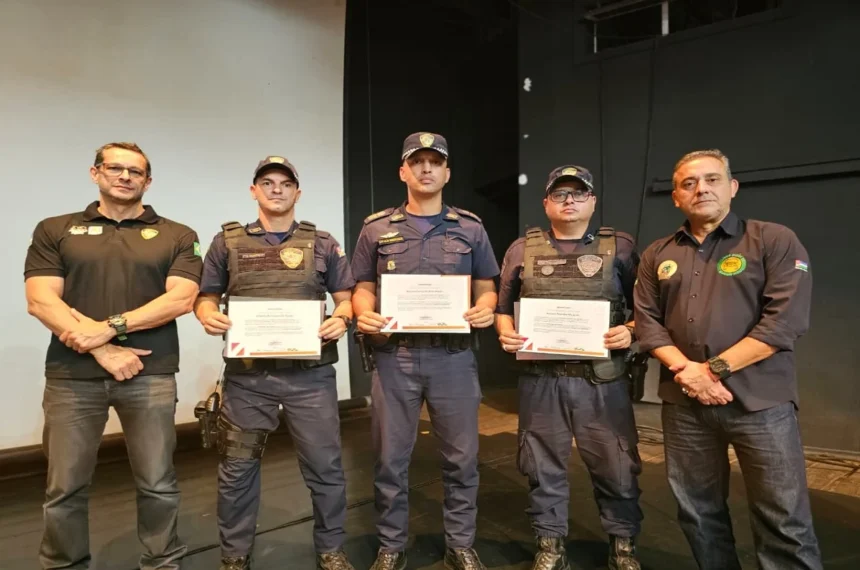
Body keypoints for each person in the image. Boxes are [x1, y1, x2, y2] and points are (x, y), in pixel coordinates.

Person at [633, 149, 822, 570]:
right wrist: (688, 374)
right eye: (689, 183)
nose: (701, 189)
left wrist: (711, 371)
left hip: (761, 403)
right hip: (685, 407)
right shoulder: (656, 254)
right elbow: (647, 325)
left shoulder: (772, 239)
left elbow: (783, 323)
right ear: (676, 197)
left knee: (783, 518)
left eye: (712, 179)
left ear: (732, 188)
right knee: (698, 514)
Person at [24, 142, 201, 569]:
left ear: (148, 181)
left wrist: (110, 327)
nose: (125, 176)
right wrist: (103, 348)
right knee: (64, 487)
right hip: (72, 377)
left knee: (158, 482)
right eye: (115, 168)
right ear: (95, 172)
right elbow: (40, 301)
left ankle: (162, 563)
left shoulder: (179, 234)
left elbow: (181, 298)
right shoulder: (55, 229)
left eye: (135, 172)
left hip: (151, 373)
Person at [193, 156, 356, 570]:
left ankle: (330, 550)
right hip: (248, 380)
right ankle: (235, 555)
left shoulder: (322, 242)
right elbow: (205, 295)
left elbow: (347, 296)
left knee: (325, 466)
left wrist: (341, 318)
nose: (277, 189)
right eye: (268, 182)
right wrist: (206, 313)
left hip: (310, 377)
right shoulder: (225, 242)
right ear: (254, 191)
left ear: (297, 192)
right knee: (237, 469)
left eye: (286, 183)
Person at [350, 132, 500, 570]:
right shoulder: (376, 227)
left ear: (447, 172)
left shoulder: (470, 227)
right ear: (403, 171)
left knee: (462, 458)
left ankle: (461, 543)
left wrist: (486, 308)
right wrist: (364, 312)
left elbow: (487, 285)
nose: (427, 169)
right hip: (394, 358)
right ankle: (391, 545)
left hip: (453, 358)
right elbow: (362, 285)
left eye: (436, 162)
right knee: (390, 459)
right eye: (417, 162)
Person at [495, 165, 643, 570]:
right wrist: (505, 332)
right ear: (546, 203)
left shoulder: (623, 248)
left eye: (579, 193)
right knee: (541, 465)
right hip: (541, 381)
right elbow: (501, 308)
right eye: (560, 194)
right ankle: (550, 544)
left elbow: (648, 311)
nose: (569, 200)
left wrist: (630, 331)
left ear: (592, 201)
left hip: (601, 381)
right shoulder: (521, 249)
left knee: (616, 463)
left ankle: (623, 543)